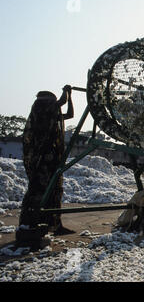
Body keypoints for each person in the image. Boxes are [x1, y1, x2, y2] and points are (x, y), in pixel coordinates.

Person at [19, 85, 75, 235]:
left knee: (55, 190)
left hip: (51, 158)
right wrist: (67, 92)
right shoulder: (41, 110)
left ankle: (55, 225)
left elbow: (70, 114)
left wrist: (70, 96)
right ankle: (31, 224)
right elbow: (62, 102)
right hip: (41, 160)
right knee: (39, 191)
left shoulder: (50, 115)